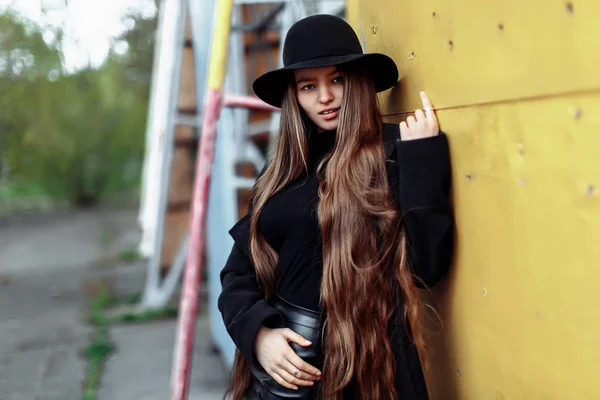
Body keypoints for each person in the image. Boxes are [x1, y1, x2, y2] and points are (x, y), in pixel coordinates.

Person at [218, 14, 453, 400]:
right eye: (308, 86)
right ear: (294, 95)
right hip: (288, 377)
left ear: (358, 81)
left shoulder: (391, 151)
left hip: (369, 371)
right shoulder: (281, 170)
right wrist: (260, 335)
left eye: (337, 80)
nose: (324, 97)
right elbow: (237, 274)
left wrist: (423, 158)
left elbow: (426, 267)